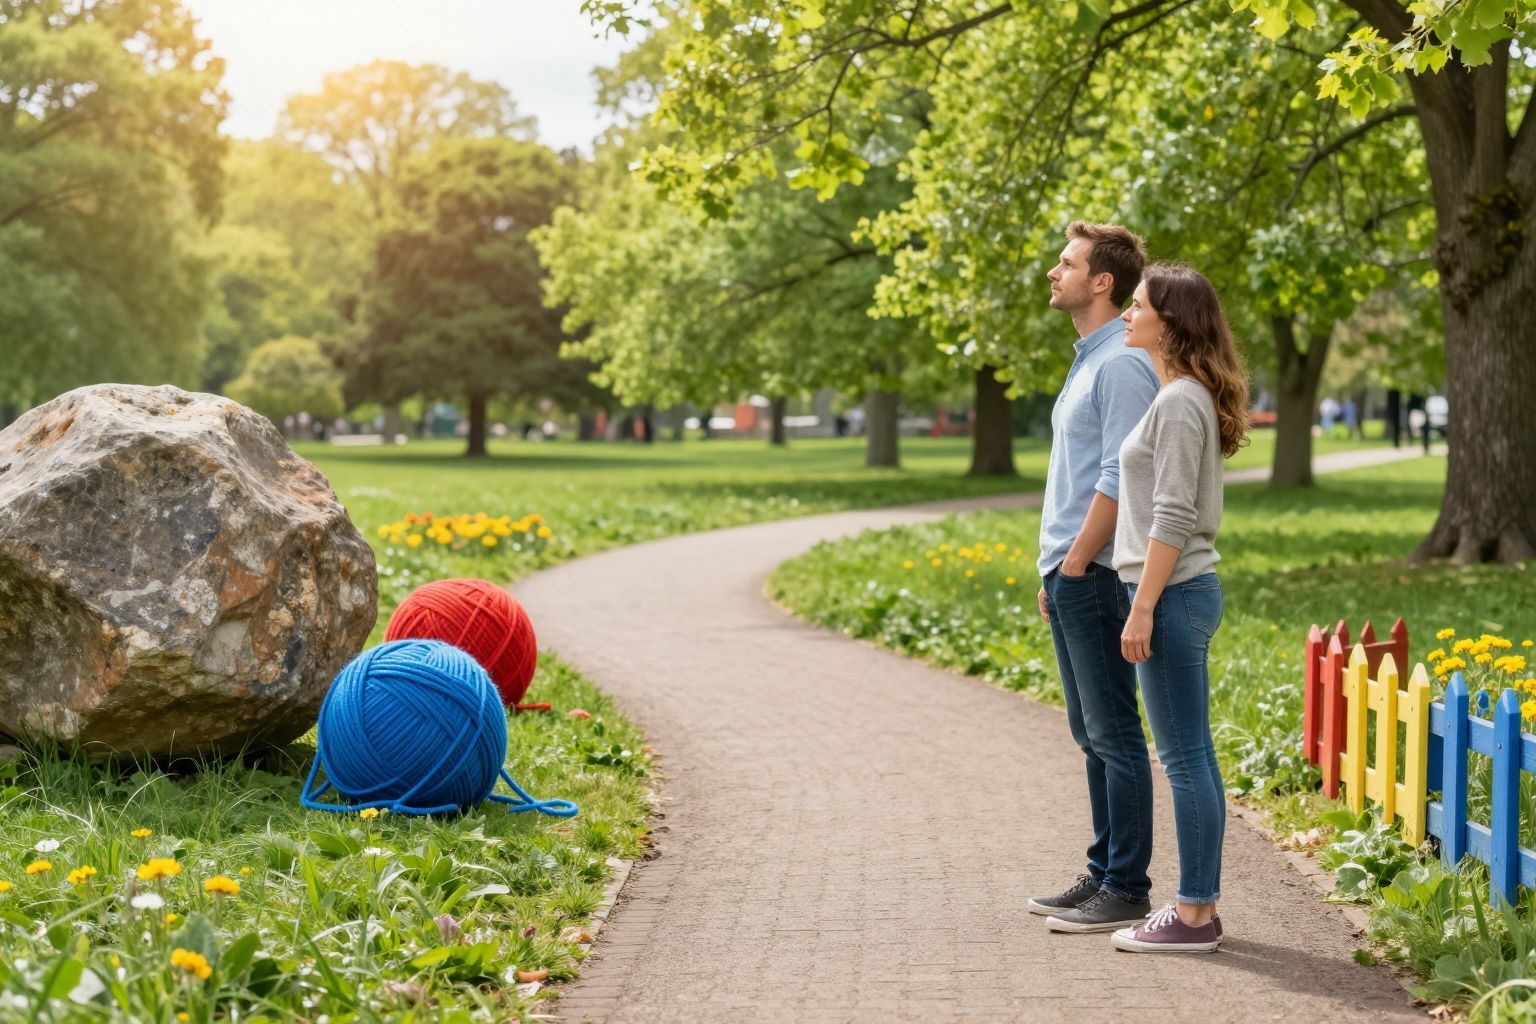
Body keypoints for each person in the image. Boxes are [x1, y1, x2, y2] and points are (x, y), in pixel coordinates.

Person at [1109, 263, 1249, 953]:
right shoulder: (1181, 396)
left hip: (1171, 595)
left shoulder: (1180, 401)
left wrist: (1142, 609)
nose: (1128, 314)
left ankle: (1195, 916)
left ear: (1170, 321)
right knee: (1191, 756)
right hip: (1173, 593)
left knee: (1186, 759)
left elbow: (1172, 515)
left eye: (1136, 306)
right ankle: (1197, 907)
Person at [1031, 222, 1161, 935]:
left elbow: (1121, 473)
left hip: (1098, 573)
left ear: (1102, 280)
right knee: (1091, 730)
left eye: (1067, 263)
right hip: (1071, 570)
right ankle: (1105, 870)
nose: (1055, 273)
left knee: (1113, 731)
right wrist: (1055, 567)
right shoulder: (1090, 359)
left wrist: (1078, 560)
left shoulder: (1119, 365)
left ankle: (1128, 887)